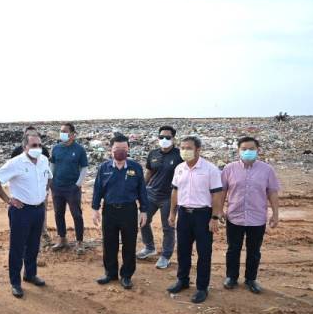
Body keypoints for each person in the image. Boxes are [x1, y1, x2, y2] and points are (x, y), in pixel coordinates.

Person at [0, 132, 52, 298]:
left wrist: (45, 191)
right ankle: (15, 282)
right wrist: (8, 199)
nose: (37, 148)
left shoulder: (44, 160)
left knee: (33, 245)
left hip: (39, 210)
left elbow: (49, 177)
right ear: (25, 147)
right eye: (33, 145)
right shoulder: (15, 163)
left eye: (39, 145)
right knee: (17, 247)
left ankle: (30, 274)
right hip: (21, 211)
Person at [167, 136, 223, 304]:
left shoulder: (210, 169)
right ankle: (182, 280)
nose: (185, 151)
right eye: (182, 147)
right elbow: (175, 192)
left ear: (198, 150)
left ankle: (201, 287)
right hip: (184, 214)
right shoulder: (179, 168)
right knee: (183, 250)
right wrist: (172, 213)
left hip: (203, 215)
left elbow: (217, 195)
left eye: (189, 148)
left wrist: (215, 217)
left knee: (204, 253)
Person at [221, 137, 280, 294]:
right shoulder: (229, 169)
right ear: (238, 150)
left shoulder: (267, 170)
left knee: (254, 251)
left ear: (258, 150)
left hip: (257, 218)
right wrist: (219, 210)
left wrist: (275, 213)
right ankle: (231, 277)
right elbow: (222, 191)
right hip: (234, 217)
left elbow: (272, 192)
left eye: (251, 149)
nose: (248, 152)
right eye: (244, 149)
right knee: (233, 249)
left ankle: (250, 279)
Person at [91, 133, 149, 290]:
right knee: (109, 243)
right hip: (109, 211)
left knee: (129, 244)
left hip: (129, 211)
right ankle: (110, 273)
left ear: (128, 149)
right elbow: (98, 189)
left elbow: (142, 191)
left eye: (124, 148)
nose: (120, 151)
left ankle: (126, 275)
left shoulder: (135, 167)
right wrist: (95, 209)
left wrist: (144, 211)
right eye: (117, 148)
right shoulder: (104, 168)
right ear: (111, 150)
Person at [137, 126, 183, 269]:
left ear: (173, 138)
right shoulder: (153, 154)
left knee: (168, 227)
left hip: (170, 197)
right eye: (161, 137)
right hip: (151, 194)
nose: (164, 140)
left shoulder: (179, 155)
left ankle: (166, 256)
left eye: (168, 137)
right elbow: (149, 173)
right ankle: (149, 247)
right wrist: (141, 189)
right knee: (143, 220)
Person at [50, 122, 89, 254]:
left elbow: (84, 167)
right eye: (61, 131)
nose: (62, 134)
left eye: (65, 131)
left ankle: (79, 242)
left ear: (72, 134)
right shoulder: (56, 148)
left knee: (76, 214)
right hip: (57, 187)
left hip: (72, 188)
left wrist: (78, 184)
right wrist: (51, 182)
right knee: (58, 213)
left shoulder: (79, 150)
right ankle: (62, 239)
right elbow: (52, 165)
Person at [11, 125, 52, 246]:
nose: (37, 147)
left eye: (34, 134)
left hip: (40, 191)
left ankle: (43, 231)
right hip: (24, 196)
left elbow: (47, 171)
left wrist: (46, 188)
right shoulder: (17, 152)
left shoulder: (43, 151)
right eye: (29, 134)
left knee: (42, 211)